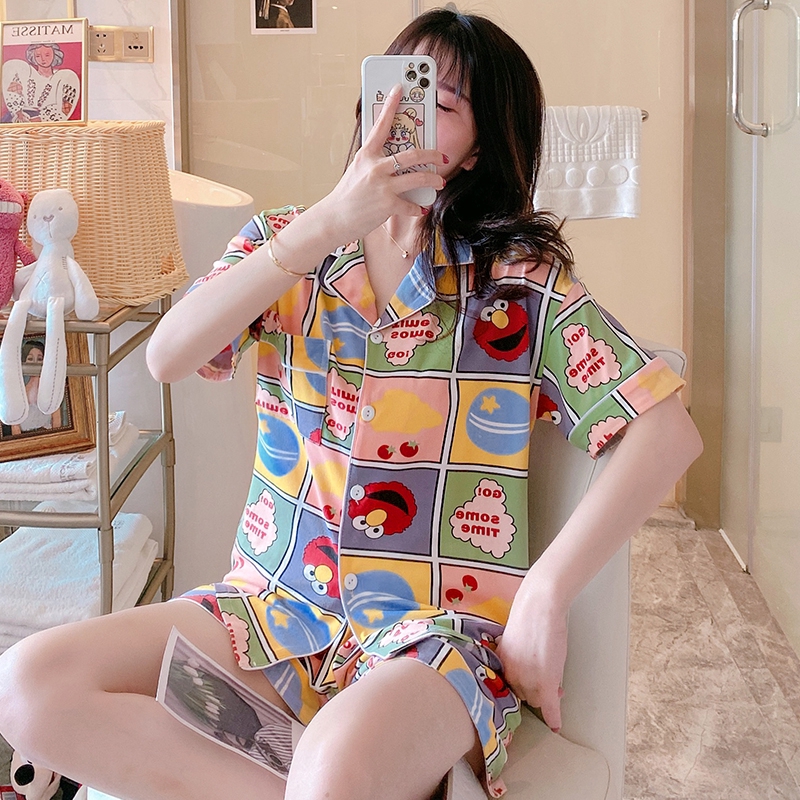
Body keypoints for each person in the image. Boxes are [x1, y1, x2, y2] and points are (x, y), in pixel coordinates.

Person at [0, 10, 702, 800]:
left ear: (478, 149)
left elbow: (666, 431)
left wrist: (546, 590)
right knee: (28, 685)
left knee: (333, 770)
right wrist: (325, 225)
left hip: (432, 640)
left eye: (440, 102)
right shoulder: (284, 245)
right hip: (270, 611)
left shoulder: (518, 281)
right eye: (394, 87)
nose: (404, 112)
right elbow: (170, 356)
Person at [1, 43, 80, 124]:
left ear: (55, 55)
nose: (43, 59)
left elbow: (64, 110)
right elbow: (11, 92)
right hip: (18, 119)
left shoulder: (63, 77)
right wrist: (19, 114)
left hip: (47, 123)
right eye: (38, 56)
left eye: (47, 55)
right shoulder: (23, 71)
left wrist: (36, 120)